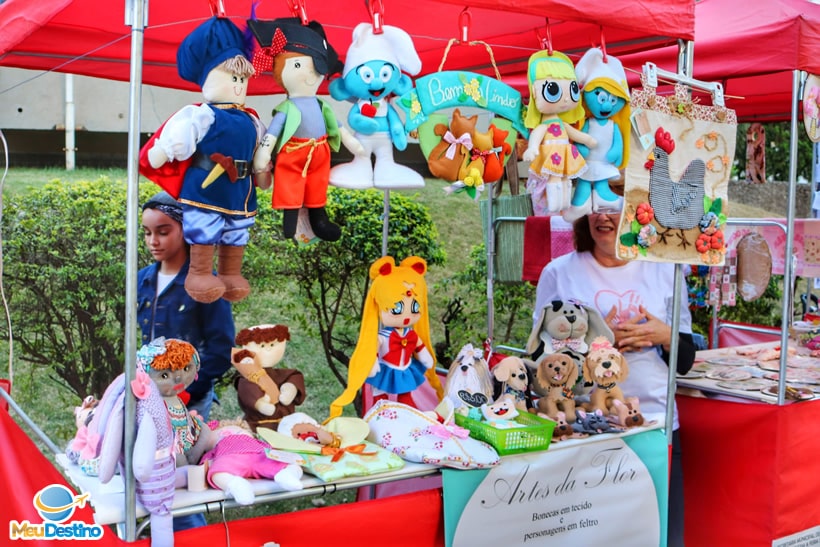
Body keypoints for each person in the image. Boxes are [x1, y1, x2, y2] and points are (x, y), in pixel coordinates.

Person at [532, 211, 695, 547]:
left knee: (663, 536)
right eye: (596, 204)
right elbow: (540, 362)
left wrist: (666, 335)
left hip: (656, 425)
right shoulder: (559, 273)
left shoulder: (665, 269)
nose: (603, 216)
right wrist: (594, 345)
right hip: (584, 431)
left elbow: (685, 361)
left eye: (615, 203)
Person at [138, 191, 235, 531]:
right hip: (149, 399)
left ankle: (194, 534)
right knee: (151, 470)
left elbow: (222, 347)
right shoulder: (144, 279)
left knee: (180, 475)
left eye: (163, 231)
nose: (154, 240)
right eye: (147, 232)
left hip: (188, 400)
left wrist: (187, 391)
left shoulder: (204, 285)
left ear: (186, 229)